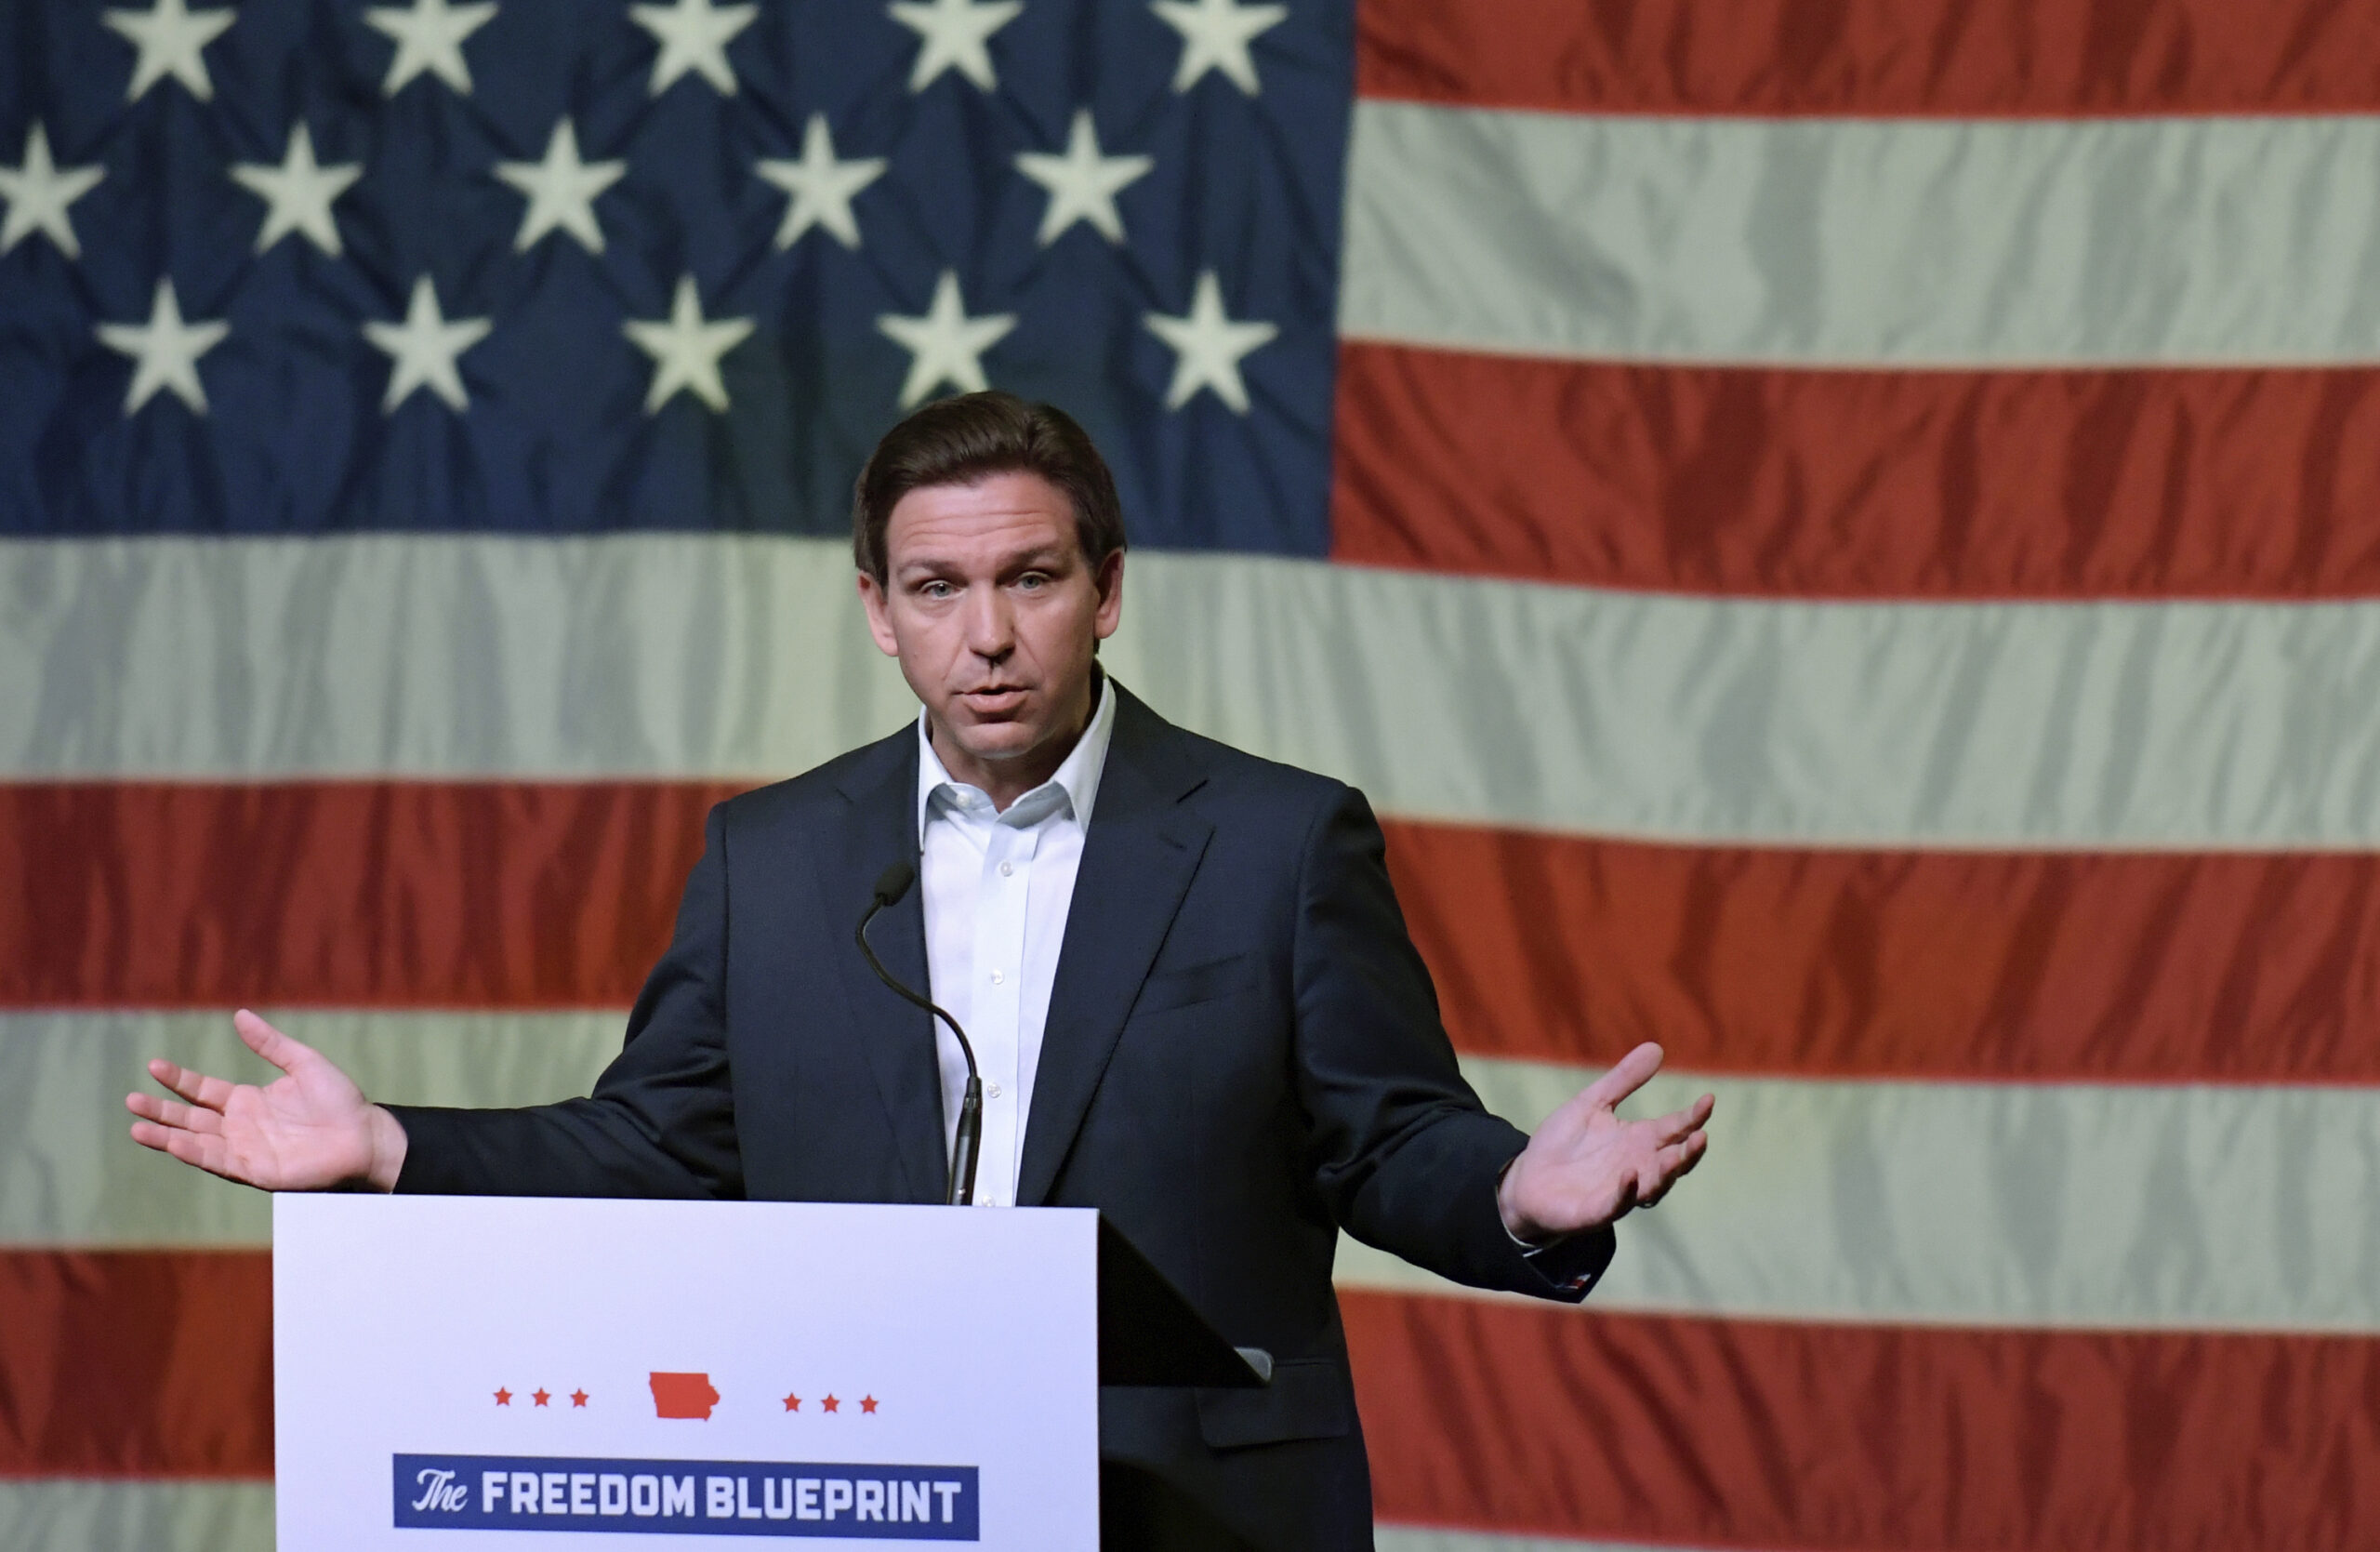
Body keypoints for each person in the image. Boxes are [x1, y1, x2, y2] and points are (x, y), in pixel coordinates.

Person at [127, 391, 1713, 1551]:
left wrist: (1518, 1192)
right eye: (939, 590)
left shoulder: (1279, 840)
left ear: (1107, 588)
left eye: (1031, 577)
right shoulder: (774, 858)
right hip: (868, 1493)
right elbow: (659, 1146)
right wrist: (388, 1145)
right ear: (879, 613)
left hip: (1197, 1511)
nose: (989, 635)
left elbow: (1387, 1136)